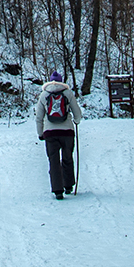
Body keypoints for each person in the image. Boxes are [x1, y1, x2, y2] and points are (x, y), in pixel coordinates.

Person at [35, 71, 82, 199]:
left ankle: (58, 190)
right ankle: (68, 186)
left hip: (50, 133)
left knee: (53, 161)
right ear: (61, 81)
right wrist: (76, 121)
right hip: (67, 132)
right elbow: (77, 112)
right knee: (67, 158)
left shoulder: (44, 95)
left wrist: (41, 133)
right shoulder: (67, 93)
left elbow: (39, 117)